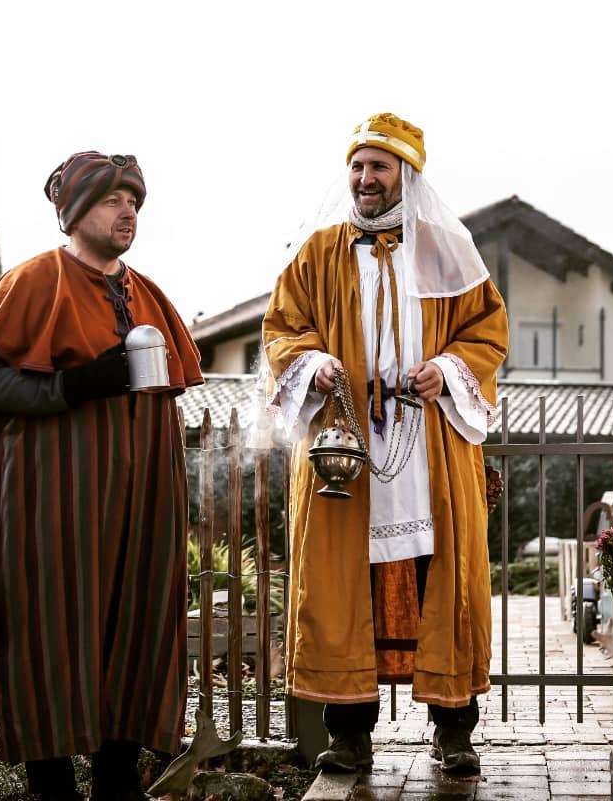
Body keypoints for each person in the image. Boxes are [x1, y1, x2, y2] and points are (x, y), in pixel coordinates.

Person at [262, 112, 508, 777]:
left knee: (443, 578)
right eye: (358, 166)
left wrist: (449, 367)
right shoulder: (316, 251)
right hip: (344, 440)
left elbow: (487, 331)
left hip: (429, 441)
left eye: (380, 166)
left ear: (408, 175)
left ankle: (453, 730)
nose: (366, 178)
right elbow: (282, 329)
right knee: (347, 585)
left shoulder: (449, 250)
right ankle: (349, 735)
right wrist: (315, 365)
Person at [0, 150, 204, 801]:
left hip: (140, 502)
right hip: (51, 501)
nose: (128, 212)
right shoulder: (32, 282)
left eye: (134, 203)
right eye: (112, 201)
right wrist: (73, 384)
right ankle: (53, 786)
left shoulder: (149, 294)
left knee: (134, 626)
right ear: (74, 212)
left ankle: (118, 784)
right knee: (48, 629)